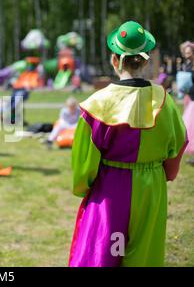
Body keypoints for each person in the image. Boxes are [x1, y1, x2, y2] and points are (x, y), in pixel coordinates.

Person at [69, 21, 187, 267]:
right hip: (152, 187)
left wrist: (85, 187)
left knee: (104, 254)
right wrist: (164, 173)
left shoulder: (96, 104)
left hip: (111, 188)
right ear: (145, 61)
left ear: (114, 60)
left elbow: (83, 166)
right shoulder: (165, 101)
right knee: (144, 255)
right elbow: (178, 144)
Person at [181, 43, 194, 164]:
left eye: (189, 52)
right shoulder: (187, 65)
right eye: (185, 52)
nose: (187, 55)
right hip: (191, 98)